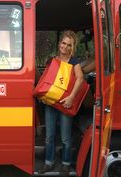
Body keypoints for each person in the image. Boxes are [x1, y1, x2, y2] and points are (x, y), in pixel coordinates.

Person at [39, 30, 84, 176]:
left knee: (65, 137)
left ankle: (66, 164)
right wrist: (42, 94)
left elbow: (80, 79)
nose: (65, 47)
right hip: (51, 103)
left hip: (65, 103)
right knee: (49, 136)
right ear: (60, 44)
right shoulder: (52, 60)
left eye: (69, 45)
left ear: (73, 47)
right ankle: (48, 163)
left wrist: (71, 98)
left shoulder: (74, 61)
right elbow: (46, 80)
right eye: (63, 43)